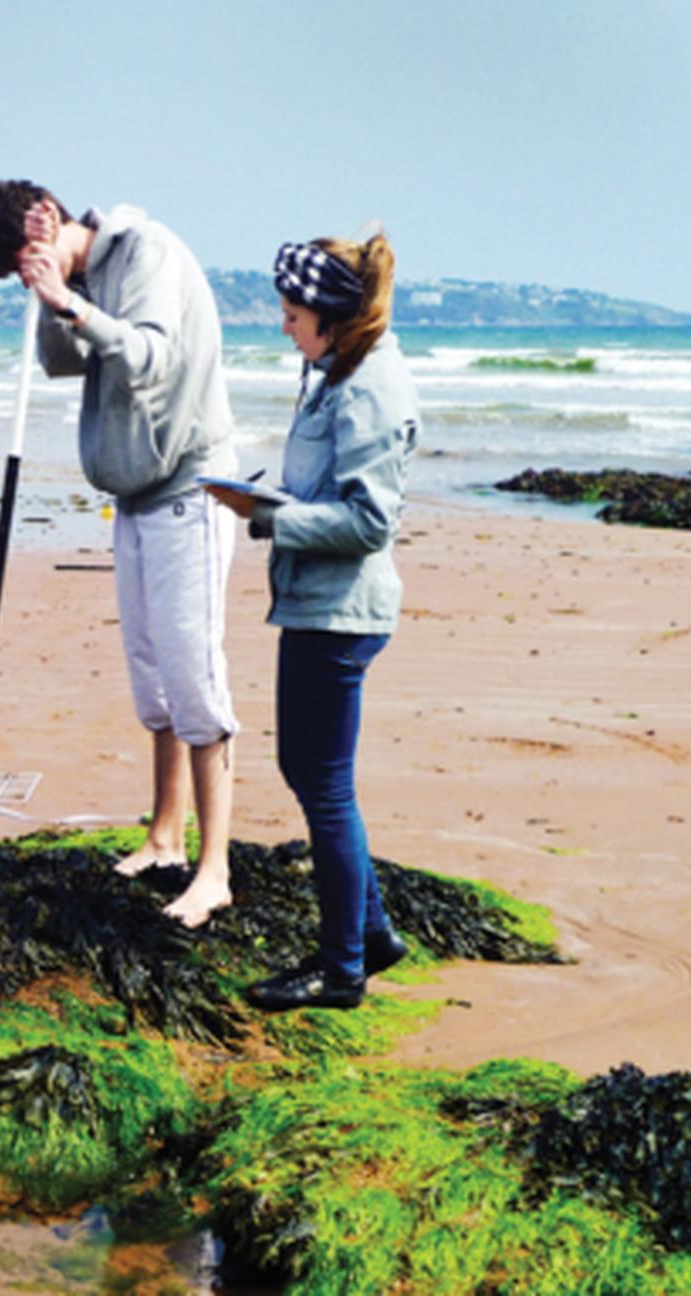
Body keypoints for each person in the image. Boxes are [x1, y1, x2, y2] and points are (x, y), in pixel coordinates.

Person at [0, 180, 239, 927]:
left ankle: (214, 867)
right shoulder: (80, 278)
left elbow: (151, 356)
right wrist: (54, 296)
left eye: (26, 261)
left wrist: (68, 300)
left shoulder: (146, 253)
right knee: (153, 679)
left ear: (53, 220)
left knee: (195, 681)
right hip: (132, 492)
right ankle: (165, 836)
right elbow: (63, 361)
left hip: (189, 485)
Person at [207, 232, 420, 1010]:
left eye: (293, 314)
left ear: (331, 316)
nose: (284, 326)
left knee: (324, 789)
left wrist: (267, 517)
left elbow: (369, 523)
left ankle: (341, 971)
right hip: (321, 605)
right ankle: (375, 934)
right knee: (311, 774)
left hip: (339, 612)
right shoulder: (341, 370)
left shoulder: (368, 388)